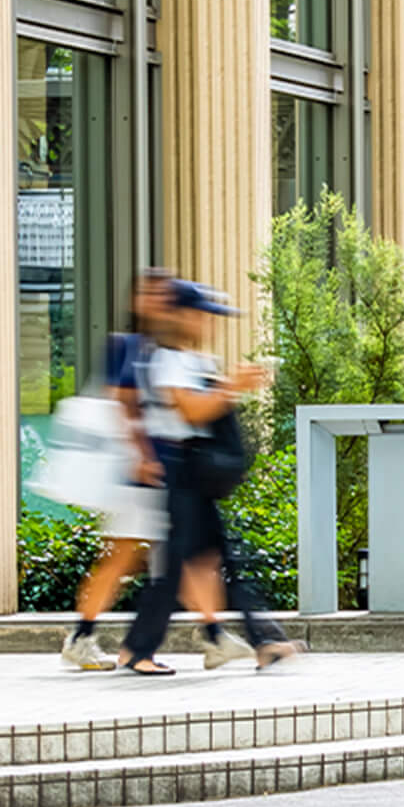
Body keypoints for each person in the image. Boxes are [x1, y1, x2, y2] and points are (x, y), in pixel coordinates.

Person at [115, 280, 297, 675]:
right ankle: (136, 650)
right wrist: (233, 386)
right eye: (203, 315)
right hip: (181, 473)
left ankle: (262, 639)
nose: (210, 323)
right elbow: (192, 413)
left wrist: (230, 384)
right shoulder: (165, 360)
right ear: (181, 316)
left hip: (197, 476)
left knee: (223, 559)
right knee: (178, 566)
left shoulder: (196, 360)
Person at [60, 270, 172, 670]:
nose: (160, 303)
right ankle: (86, 637)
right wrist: (142, 455)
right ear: (136, 301)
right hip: (137, 473)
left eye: (165, 295)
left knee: (146, 559)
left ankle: (88, 636)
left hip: (150, 470)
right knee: (129, 559)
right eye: (152, 294)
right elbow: (124, 402)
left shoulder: (157, 347)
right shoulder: (131, 346)